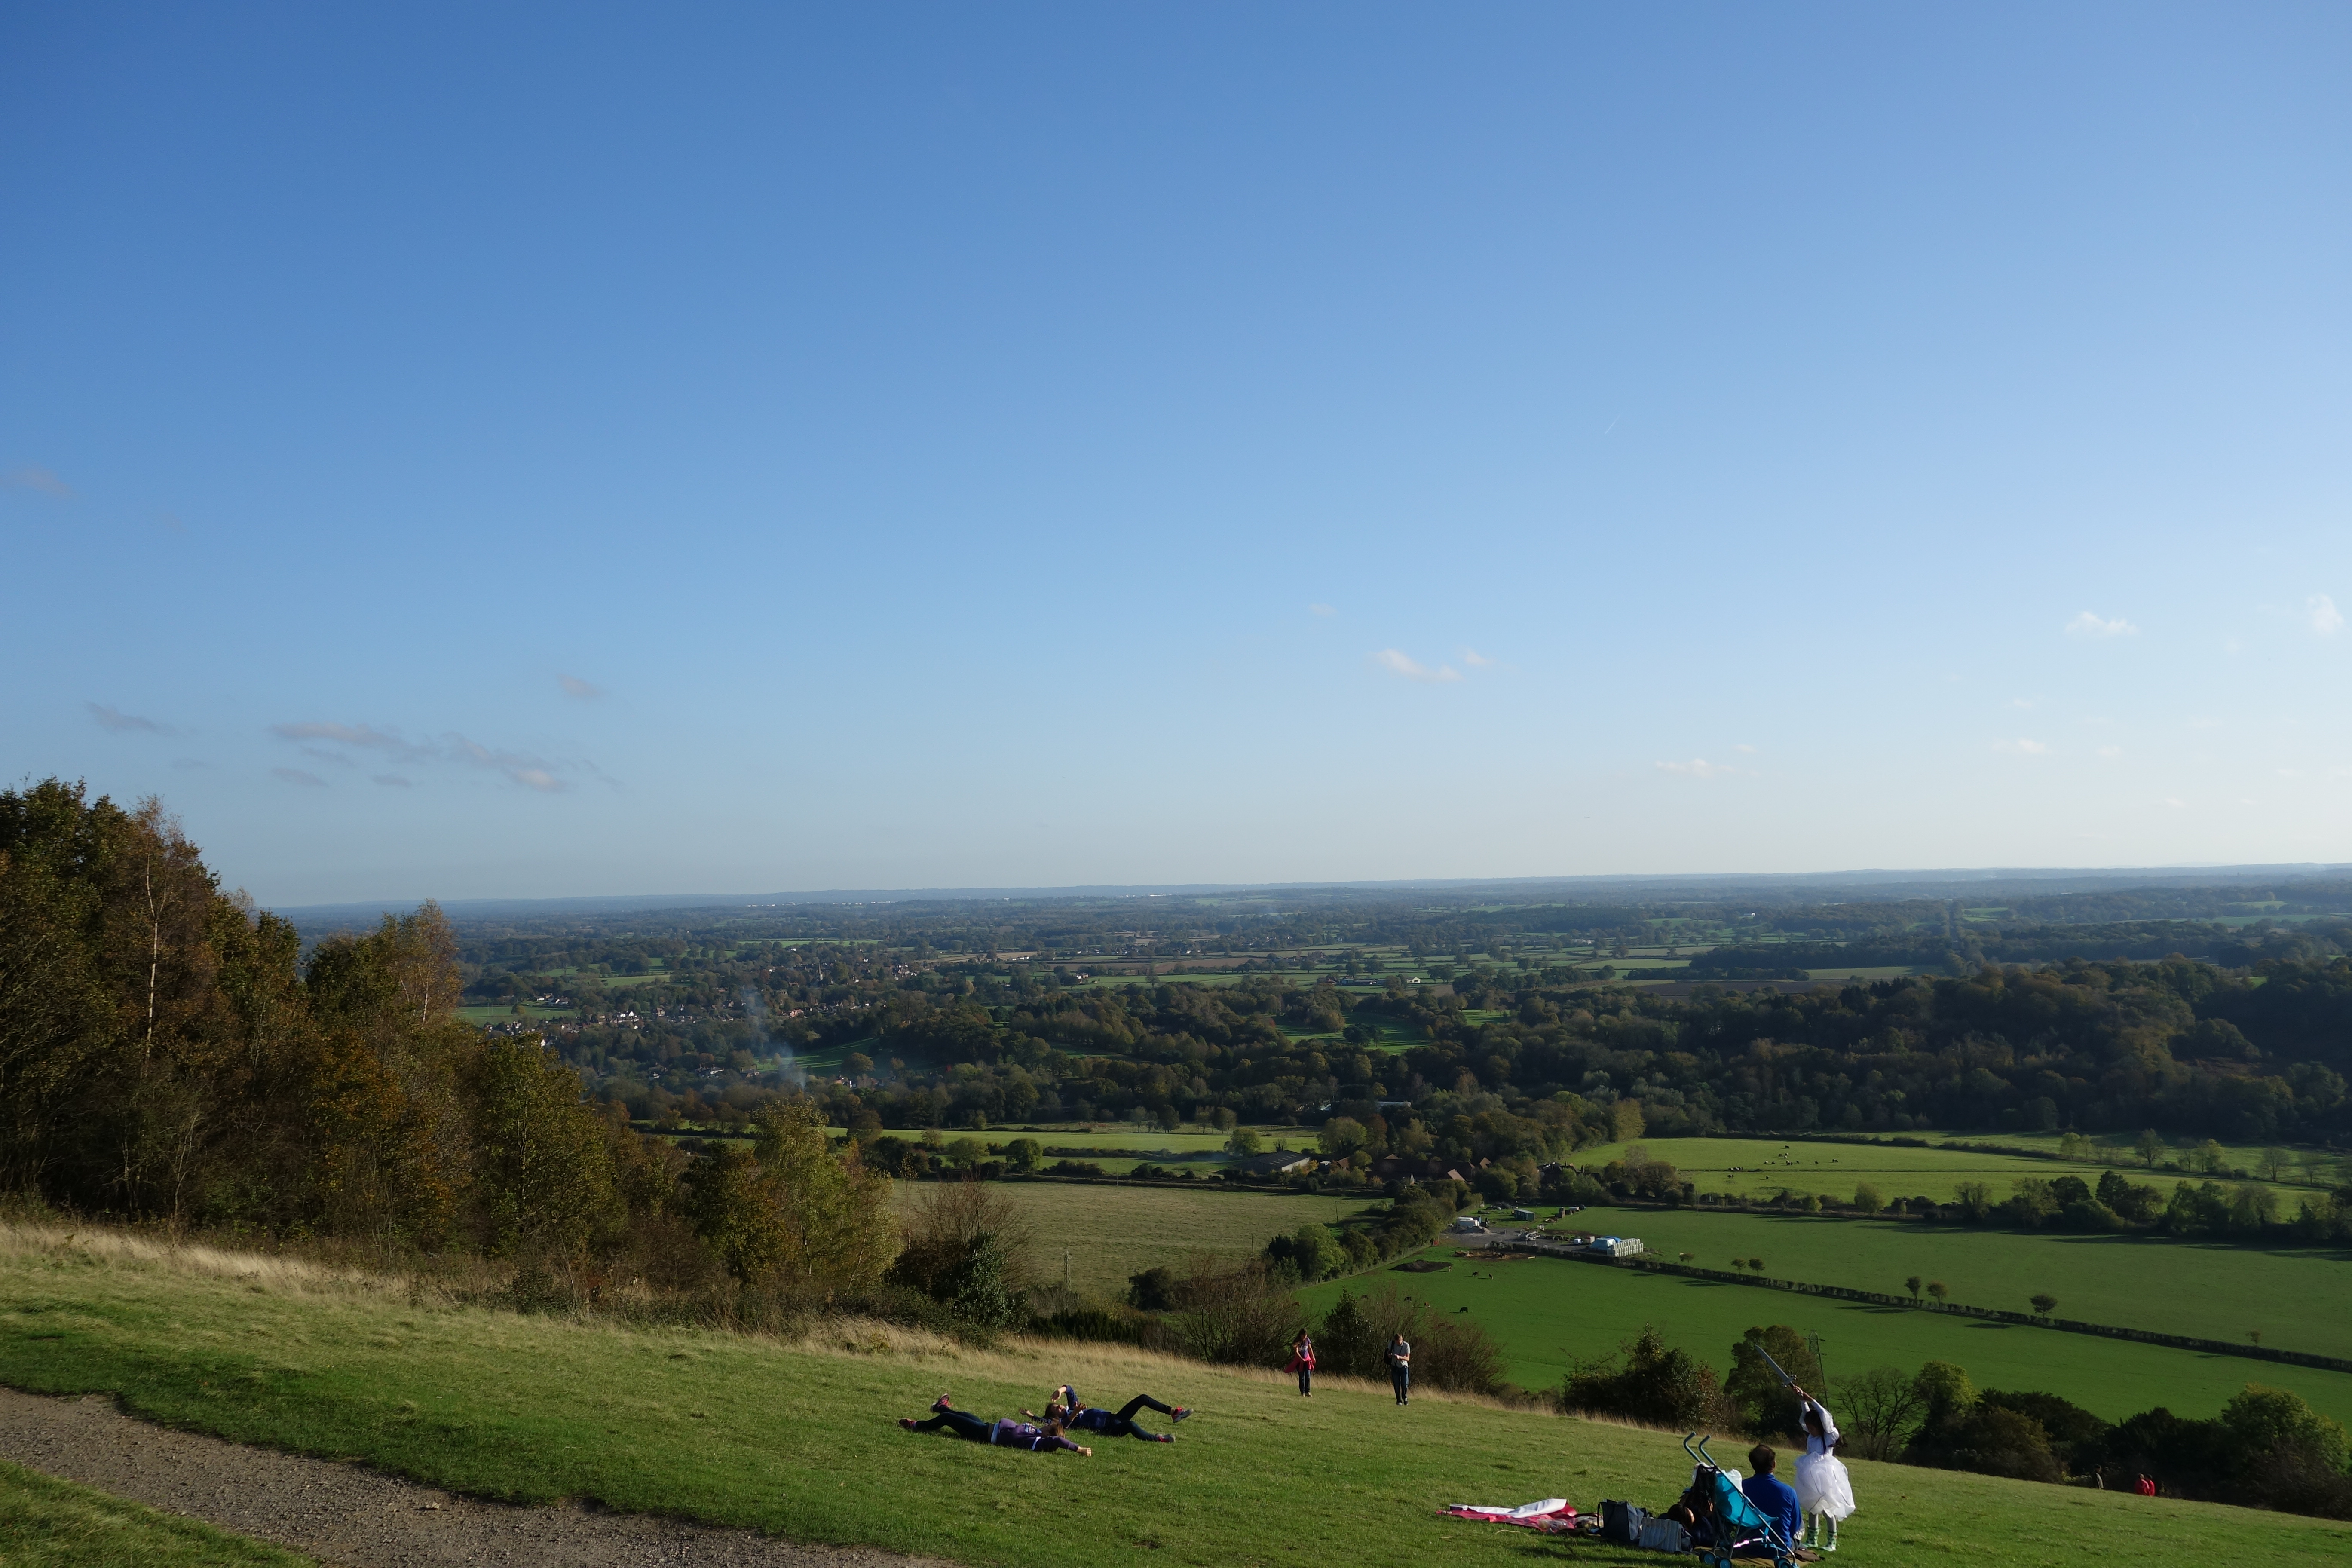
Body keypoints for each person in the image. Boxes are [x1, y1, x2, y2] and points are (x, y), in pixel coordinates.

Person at [899, 1396, 1092, 1455]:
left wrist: (1079, 1449)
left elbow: (1059, 1439)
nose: (1048, 1426)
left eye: (1050, 1428)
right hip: (987, 1426)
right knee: (963, 1415)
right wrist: (1074, 1413)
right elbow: (1062, 1427)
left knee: (949, 1419)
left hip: (983, 1434)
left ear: (1050, 1435)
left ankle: (916, 1426)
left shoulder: (1037, 1442)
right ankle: (940, 1407)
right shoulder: (1038, 1431)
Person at [1789, 1385, 1854, 1553]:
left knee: (1828, 1509)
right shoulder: (1812, 1436)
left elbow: (1825, 1416)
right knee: (1813, 1507)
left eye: (1812, 1428)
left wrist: (1812, 1400)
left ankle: (1832, 1542)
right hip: (1810, 1475)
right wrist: (1802, 1400)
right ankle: (1812, 1540)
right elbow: (1807, 1415)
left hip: (1826, 1476)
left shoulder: (1829, 1436)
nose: (1809, 1430)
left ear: (1820, 1426)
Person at [1029, 1385, 1190, 1442]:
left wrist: (1060, 1390)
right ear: (1055, 1417)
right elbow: (1046, 1422)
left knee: (1142, 1398)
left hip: (1114, 1417)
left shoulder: (1073, 1407)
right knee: (1131, 1425)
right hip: (1110, 1429)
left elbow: (1070, 1390)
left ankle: (1174, 1413)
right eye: (1056, 1409)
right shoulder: (1067, 1422)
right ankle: (1158, 1439)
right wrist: (1032, 1417)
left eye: (1058, 1405)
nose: (1059, 1407)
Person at [1741, 1445, 1800, 1552]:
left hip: (1748, 1545)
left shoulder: (1742, 1487)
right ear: (1774, 1465)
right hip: (1779, 1548)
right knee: (1801, 1524)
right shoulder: (1788, 1492)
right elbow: (1795, 1525)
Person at [1286, 1331, 1317, 1396]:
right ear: (1301, 1335)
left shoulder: (1307, 1340)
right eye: (1303, 1336)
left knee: (1308, 1376)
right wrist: (1301, 1359)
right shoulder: (1297, 1341)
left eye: (1306, 1336)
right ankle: (1303, 1392)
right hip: (1299, 1362)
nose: (1304, 1338)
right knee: (1302, 1376)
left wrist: (1313, 1357)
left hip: (1307, 1361)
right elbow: (1297, 1352)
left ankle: (1308, 1391)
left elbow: (1310, 1348)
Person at [1387, 1333, 1412, 1406]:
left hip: (1404, 1367)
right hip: (1395, 1367)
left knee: (1404, 1384)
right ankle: (1399, 1400)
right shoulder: (1392, 1344)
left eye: (1399, 1342)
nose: (1398, 1344)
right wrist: (1389, 1355)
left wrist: (1400, 1357)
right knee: (1396, 1385)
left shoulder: (1406, 1346)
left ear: (1402, 1340)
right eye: (1396, 1342)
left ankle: (1405, 1397)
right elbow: (1388, 1352)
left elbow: (1408, 1358)